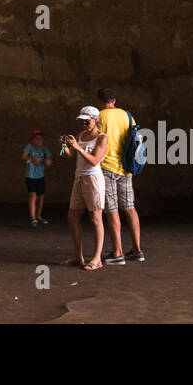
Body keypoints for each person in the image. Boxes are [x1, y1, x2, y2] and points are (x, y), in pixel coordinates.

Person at [95, 88, 144, 266]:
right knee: (130, 207)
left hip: (107, 167)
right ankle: (137, 250)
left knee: (112, 210)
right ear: (114, 99)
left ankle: (117, 252)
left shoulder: (99, 117)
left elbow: (95, 140)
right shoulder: (127, 115)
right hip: (126, 168)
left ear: (100, 102)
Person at [59, 106, 107, 270]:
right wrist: (64, 146)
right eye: (81, 121)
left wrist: (78, 147)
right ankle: (77, 256)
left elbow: (94, 160)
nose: (84, 123)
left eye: (87, 120)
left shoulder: (102, 138)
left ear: (95, 119)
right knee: (72, 217)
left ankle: (97, 258)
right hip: (79, 178)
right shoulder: (81, 135)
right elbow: (71, 155)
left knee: (95, 218)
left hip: (93, 178)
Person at [22, 130, 52, 227]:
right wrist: (31, 159)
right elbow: (23, 157)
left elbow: (49, 159)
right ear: (32, 140)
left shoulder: (44, 149)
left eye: (41, 139)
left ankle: (38, 216)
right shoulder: (29, 147)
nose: (39, 140)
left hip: (40, 176)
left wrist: (48, 161)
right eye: (37, 138)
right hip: (30, 176)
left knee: (41, 197)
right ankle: (33, 218)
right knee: (33, 196)